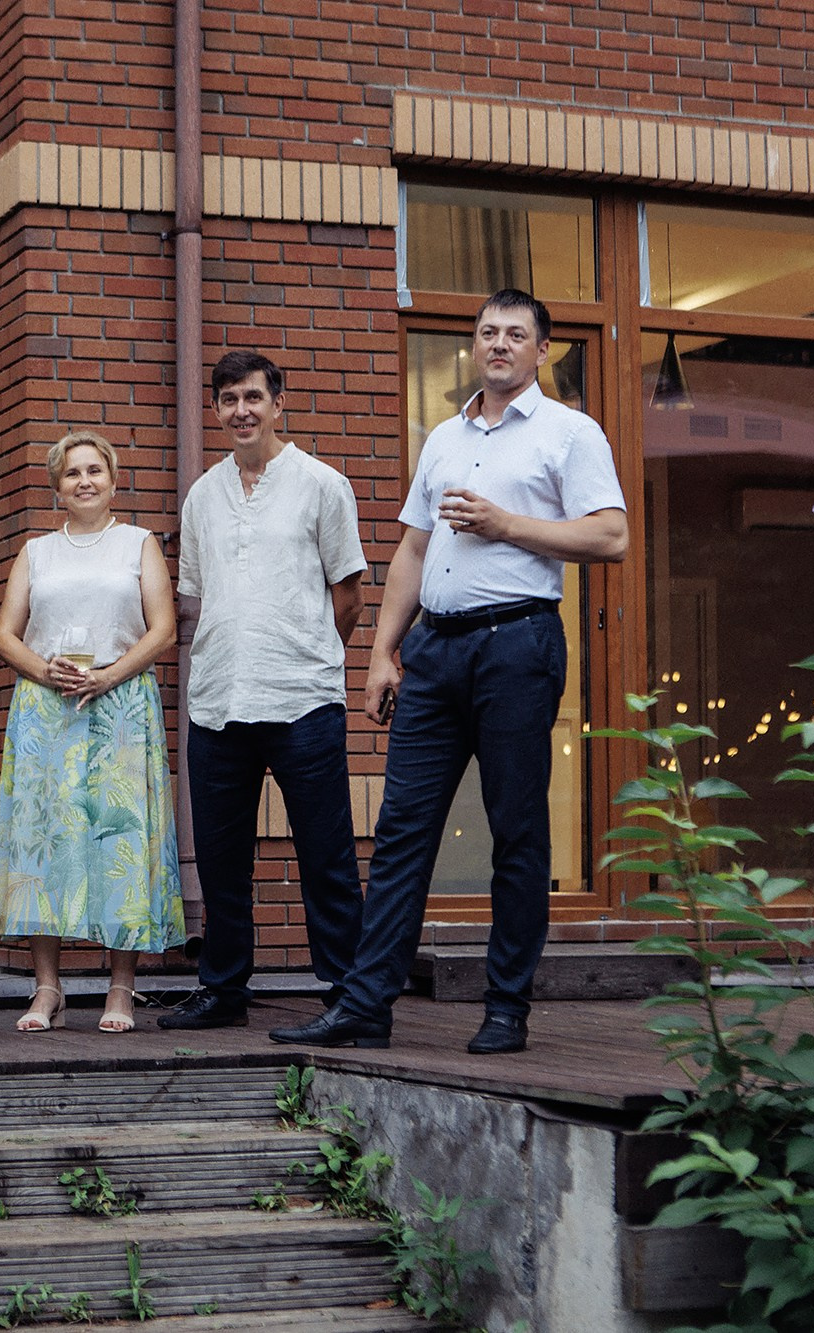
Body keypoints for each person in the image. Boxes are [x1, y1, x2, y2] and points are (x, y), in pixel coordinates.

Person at [271, 289, 628, 1054]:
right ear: (474, 346)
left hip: (517, 647)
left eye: (515, 335)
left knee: (517, 831)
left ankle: (507, 1007)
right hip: (433, 652)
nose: (499, 344)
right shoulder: (442, 437)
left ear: (540, 352)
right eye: (487, 333)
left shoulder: (570, 433)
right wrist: (380, 653)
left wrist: (509, 525)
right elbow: (412, 550)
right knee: (401, 831)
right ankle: (366, 1005)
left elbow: (611, 535)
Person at [157, 350, 369, 1031]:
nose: (241, 410)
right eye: (227, 400)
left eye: (253, 397)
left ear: (279, 402)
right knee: (222, 862)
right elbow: (198, 595)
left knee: (327, 856)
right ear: (216, 409)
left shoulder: (322, 485)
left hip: (303, 696)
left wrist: (307, 651)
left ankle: (348, 993)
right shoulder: (202, 496)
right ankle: (222, 990)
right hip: (218, 698)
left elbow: (349, 596)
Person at [0, 431, 185, 1033]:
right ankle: (47, 989)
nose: (84, 481)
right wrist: (42, 671)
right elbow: (3, 634)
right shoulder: (35, 552)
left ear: (114, 478)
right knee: (44, 848)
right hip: (46, 713)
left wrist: (107, 676)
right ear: (57, 486)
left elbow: (164, 629)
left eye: (95, 470)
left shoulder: (138, 544)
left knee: (117, 845)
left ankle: (120, 989)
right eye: (72, 473)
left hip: (120, 707)